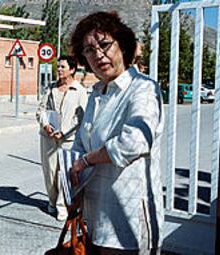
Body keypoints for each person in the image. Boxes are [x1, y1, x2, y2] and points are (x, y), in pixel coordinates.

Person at [69, 12, 164, 254]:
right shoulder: (96, 94)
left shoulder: (143, 88)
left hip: (127, 217)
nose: (98, 55)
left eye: (104, 45)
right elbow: (81, 141)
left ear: (122, 46)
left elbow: (135, 142)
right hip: (95, 215)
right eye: (89, 50)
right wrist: (75, 175)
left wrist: (87, 160)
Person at [36, 56, 88, 221]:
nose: (59, 69)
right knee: (49, 172)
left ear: (72, 69)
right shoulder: (51, 88)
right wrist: (45, 125)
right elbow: (40, 110)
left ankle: (62, 207)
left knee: (64, 173)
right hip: (48, 137)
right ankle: (52, 201)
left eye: (62, 67)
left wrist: (64, 131)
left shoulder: (79, 91)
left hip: (68, 139)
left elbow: (81, 117)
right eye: (58, 66)